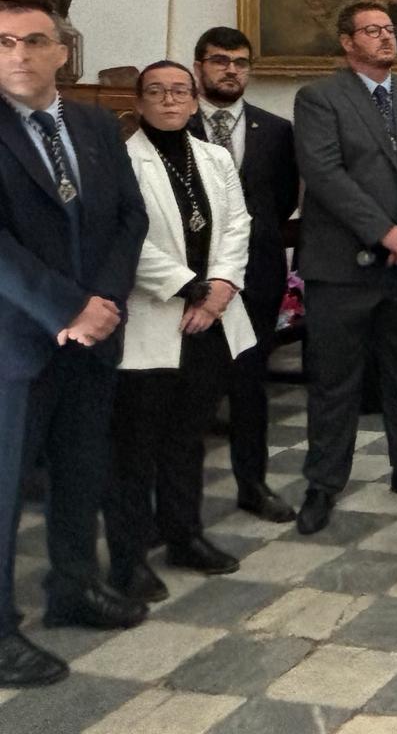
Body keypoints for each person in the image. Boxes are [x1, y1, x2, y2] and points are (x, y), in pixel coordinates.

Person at [0, 0, 149, 688]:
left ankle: (74, 586)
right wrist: (66, 308)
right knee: (5, 487)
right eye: (4, 43)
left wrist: (104, 304)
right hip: (16, 342)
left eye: (35, 40)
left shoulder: (93, 123)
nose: (20, 55)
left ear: (63, 51)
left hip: (93, 337)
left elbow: (129, 217)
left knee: (81, 468)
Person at [293, 0, 397, 535]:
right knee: (334, 383)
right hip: (343, 268)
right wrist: (384, 232)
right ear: (347, 41)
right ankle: (323, 484)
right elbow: (324, 173)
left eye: (389, 28)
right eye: (372, 30)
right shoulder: (319, 98)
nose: (385, 37)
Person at [108, 61, 256, 601]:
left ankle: (184, 535)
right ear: (139, 102)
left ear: (195, 101)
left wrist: (220, 290)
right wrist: (190, 287)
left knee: (187, 438)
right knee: (135, 447)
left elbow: (238, 224)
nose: (169, 100)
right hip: (151, 320)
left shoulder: (215, 158)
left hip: (209, 320)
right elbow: (125, 238)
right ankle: (128, 560)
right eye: (156, 91)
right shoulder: (122, 162)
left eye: (179, 91)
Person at [189, 27, 300, 523]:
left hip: (257, 275)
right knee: (189, 391)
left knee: (249, 386)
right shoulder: (177, 124)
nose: (231, 70)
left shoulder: (275, 130)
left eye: (240, 62)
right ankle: (178, 504)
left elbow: (281, 201)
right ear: (199, 67)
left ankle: (253, 485)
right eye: (219, 60)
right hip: (192, 280)